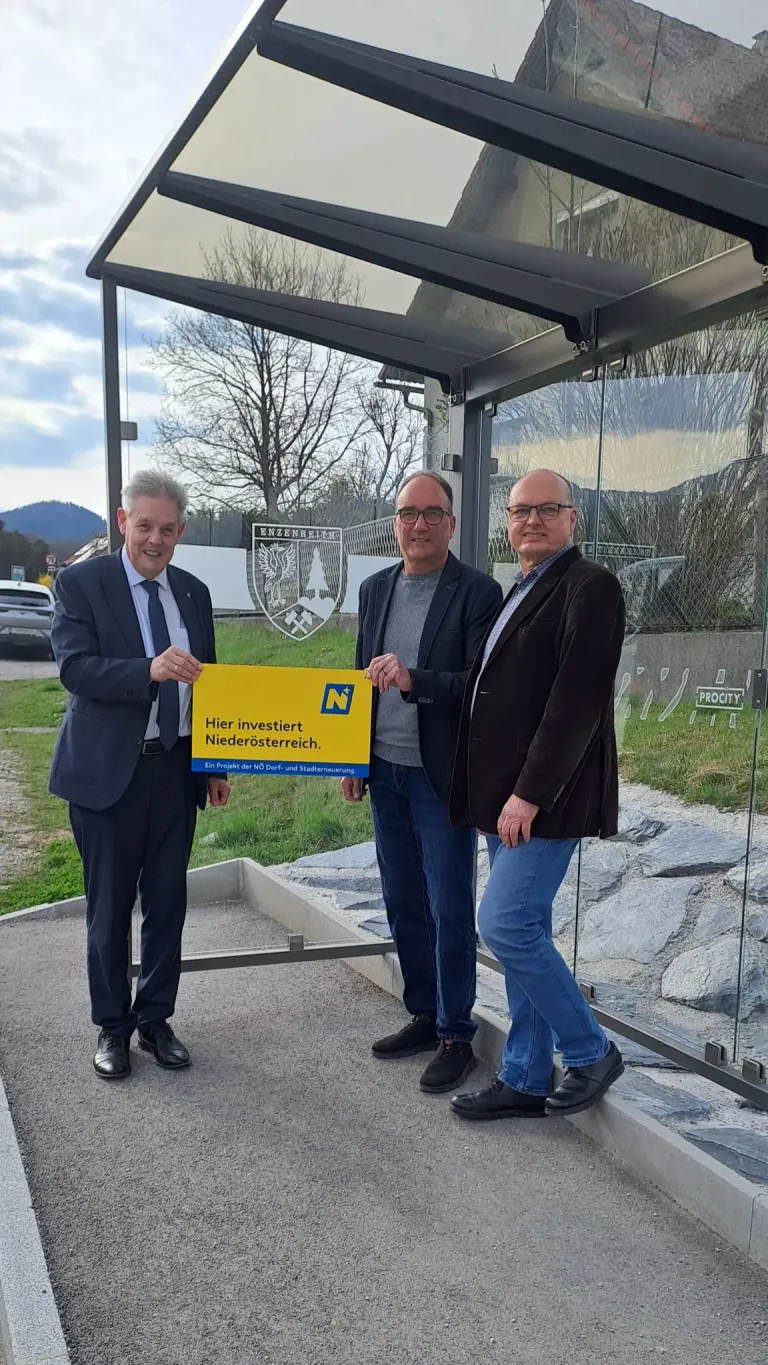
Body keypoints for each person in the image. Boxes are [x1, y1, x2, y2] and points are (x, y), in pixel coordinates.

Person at [449, 468, 625, 1121]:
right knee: (527, 927)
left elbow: (576, 701)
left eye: (547, 509)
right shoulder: (521, 588)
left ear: (572, 519)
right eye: (521, 510)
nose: (531, 520)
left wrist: (528, 794)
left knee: (504, 923)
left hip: (546, 799)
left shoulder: (591, 586)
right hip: (506, 800)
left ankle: (591, 1050)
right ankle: (524, 1075)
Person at [49, 470, 230, 1081]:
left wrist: (213, 765)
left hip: (174, 771)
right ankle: (112, 1026)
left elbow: (211, 684)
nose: (156, 539)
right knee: (109, 909)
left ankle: (155, 1020)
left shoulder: (193, 593)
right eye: (145, 525)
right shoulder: (81, 583)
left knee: (167, 903)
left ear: (181, 531)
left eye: (168, 529)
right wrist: (148, 669)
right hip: (106, 775)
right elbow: (75, 669)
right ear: (124, 522)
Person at [342, 472, 502, 1094]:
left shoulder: (478, 592)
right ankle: (425, 1014)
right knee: (402, 899)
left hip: (439, 777)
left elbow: (479, 685)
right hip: (384, 770)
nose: (419, 524)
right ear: (395, 523)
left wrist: (415, 680)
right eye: (408, 513)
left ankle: (457, 1034)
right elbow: (358, 677)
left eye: (432, 513)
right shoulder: (375, 588)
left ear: (451, 524)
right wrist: (353, 760)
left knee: (449, 906)